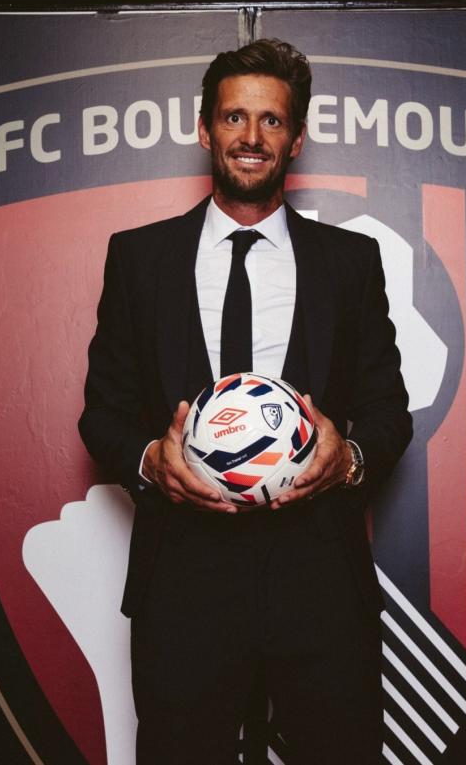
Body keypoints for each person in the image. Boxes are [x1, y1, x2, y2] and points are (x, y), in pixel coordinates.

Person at [78, 39, 412, 764]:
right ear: (205, 130)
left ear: (295, 136)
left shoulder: (350, 264)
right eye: (234, 117)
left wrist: (347, 460)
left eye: (271, 121)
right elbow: (100, 411)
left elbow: (389, 410)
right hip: (184, 586)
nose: (251, 137)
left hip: (320, 583)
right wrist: (150, 461)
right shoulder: (139, 258)